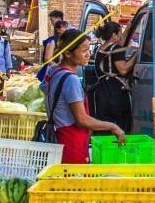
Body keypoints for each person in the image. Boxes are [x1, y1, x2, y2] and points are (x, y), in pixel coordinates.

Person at [41, 30, 126, 162]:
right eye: (84, 50)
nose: (88, 54)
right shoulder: (71, 80)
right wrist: (113, 127)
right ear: (68, 53)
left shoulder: (53, 71)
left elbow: (44, 89)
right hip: (71, 144)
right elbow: (82, 120)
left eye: (89, 49)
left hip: (59, 137)